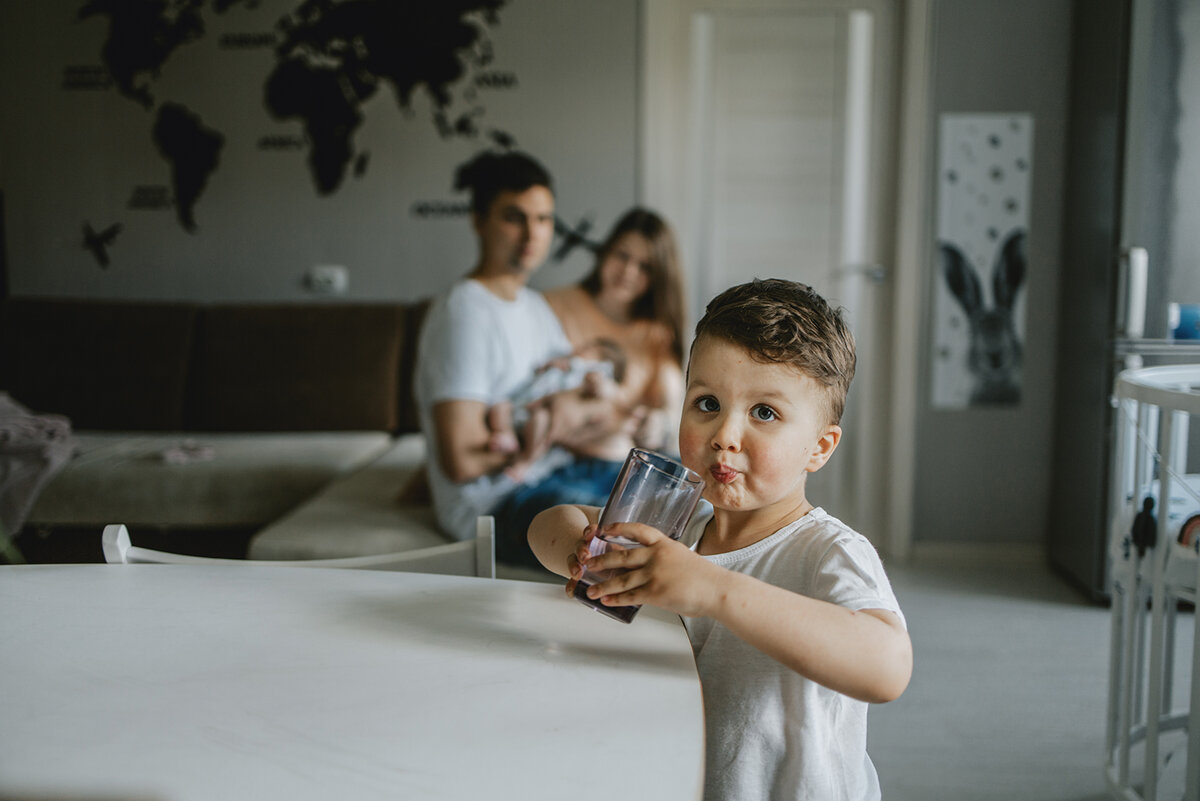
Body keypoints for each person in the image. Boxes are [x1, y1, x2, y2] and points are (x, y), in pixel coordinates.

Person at [528, 278, 912, 801]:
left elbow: (887, 668)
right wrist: (580, 545)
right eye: (706, 403)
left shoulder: (828, 551)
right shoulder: (676, 524)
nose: (724, 435)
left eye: (764, 413)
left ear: (819, 448)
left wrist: (713, 588)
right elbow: (548, 521)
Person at [414, 150, 629, 564]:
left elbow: (569, 396)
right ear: (479, 221)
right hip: (496, 502)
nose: (532, 234)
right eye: (514, 217)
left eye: (544, 219)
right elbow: (460, 461)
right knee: (616, 536)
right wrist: (544, 438)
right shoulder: (464, 313)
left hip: (556, 469)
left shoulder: (536, 308)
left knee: (680, 486)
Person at [543, 207, 687, 459]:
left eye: (645, 266)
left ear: (658, 277)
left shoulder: (656, 335)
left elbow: (671, 409)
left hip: (621, 458)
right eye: (622, 255)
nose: (628, 271)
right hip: (562, 458)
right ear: (606, 252)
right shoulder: (554, 306)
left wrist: (658, 424)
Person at [486, 338, 629, 481]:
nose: (583, 349)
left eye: (591, 349)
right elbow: (540, 372)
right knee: (500, 406)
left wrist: (597, 381)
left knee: (540, 420)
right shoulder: (561, 363)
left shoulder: (588, 375)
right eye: (587, 345)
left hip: (543, 415)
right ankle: (505, 434)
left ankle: (525, 460)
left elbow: (603, 388)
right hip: (523, 406)